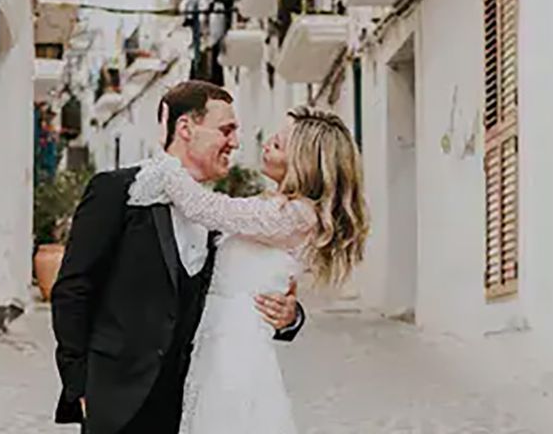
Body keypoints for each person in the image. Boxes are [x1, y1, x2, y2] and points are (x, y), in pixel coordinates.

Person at [51, 81, 305, 434]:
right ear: (186, 128)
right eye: (226, 130)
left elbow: (248, 286)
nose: (234, 142)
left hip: (192, 403)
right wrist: (78, 384)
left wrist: (291, 316)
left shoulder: (225, 215)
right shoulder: (116, 190)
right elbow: (73, 289)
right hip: (119, 398)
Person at [128, 104, 368, 434]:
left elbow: (208, 208)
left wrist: (167, 168)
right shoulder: (272, 206)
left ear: (304, 163)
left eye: (280, 144)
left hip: (235, 348)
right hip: (210, 338)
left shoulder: (295, 216)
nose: (267, 143)